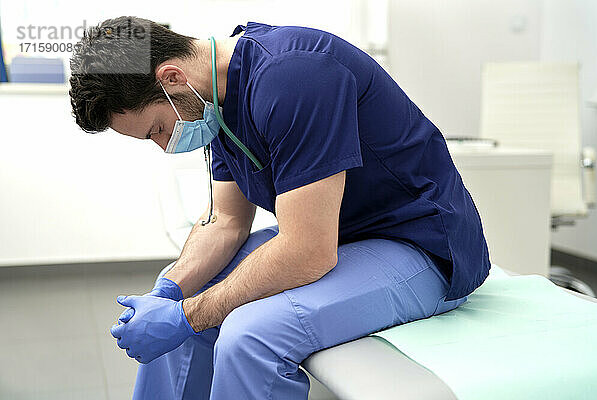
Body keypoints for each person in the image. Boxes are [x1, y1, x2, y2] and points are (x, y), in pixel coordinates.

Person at [69, 17, 490, 400]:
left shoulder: (295, 76)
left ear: (172, 77)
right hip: (343, 238)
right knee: (184, 291)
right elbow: (226, 222)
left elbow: (307, 251)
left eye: (157, 130)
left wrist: (187, 316)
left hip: (422, 246)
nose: (165, 145)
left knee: (247, 336)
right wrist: (171, 291)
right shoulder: (214, 99)